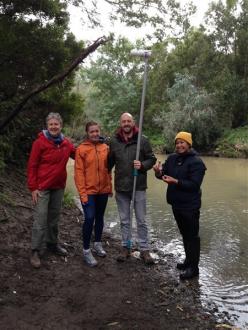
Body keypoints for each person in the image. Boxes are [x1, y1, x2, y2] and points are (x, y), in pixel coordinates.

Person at [153, 131, 206, 280]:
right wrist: (158, 172)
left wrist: (176, 182)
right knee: (184, 234)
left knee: (192, 237)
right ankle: (188, 261)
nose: (179, 145)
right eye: (177, 143)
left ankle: (194, 269)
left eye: (182, 142)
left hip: (190, 206)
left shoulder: (197, 162)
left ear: (189, 144)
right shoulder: (172, 158)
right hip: (176, 204)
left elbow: (194, 185)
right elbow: (163, 174)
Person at [27, 112, 75, 269]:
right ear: (47, 126)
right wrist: (33, 188)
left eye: (57, 124)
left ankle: (52, 244)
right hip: (42, 187)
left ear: (61, 126)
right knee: (40, 219)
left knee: (54, 219)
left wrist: (97, 144)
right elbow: (32, 166)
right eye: (51, 124)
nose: (54, 127)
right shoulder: (39, 143)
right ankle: (35, 250)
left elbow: (80, 154)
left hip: (58, 187)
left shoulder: (66, 144)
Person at [108, 112, 156, 265]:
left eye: (129, 121)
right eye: (124, 121)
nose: (126, 124)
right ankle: (126, 247)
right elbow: (109, 163)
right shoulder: (114, 142)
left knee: (141, 220)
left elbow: (152, 159)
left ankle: (144, 249)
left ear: (133, 122)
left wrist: (142, 165)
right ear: (120, 123)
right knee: (124, 220)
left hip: (139, 186)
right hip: (121, 187)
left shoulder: (142, 140)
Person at [74, 121, 112, 267]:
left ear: (99, 131)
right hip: (88, 191)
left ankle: (97, 243)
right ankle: (86, 250)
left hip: (103, 190)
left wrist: (110, 187)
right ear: (87, 133)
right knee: (89, 218)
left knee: (100, 217)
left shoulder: (106, 148)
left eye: (97, 131)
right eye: (92, 132)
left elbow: (108, 170)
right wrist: (82, 194)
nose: (95, 134)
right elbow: (78, 174)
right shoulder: (81, 149)